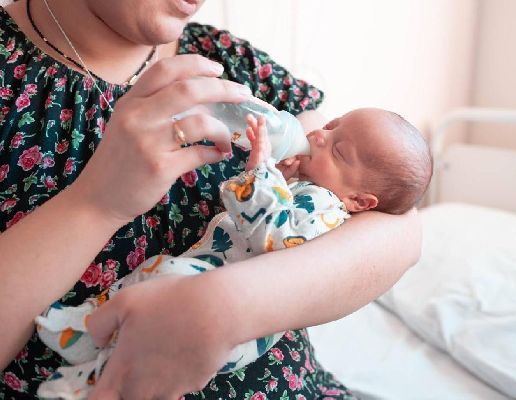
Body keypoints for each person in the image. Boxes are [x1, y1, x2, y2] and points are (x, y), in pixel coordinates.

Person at [0, 1, 423, 399]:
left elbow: (399, 227)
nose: (319, 138)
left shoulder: (225, 62)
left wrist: (219, 308)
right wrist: (97, 202)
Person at [34, 110, 432, 399]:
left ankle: (88, 378)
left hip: (226, 327)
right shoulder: (311, 190)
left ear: (360, 201)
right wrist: (282, 177)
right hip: (200, 274)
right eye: (331, 126)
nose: (320, 136)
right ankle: (88, 331)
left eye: (339, 151)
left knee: (148, 336)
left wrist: (262, 171)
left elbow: (275, 236)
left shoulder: (326, 208)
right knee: (154, 277)